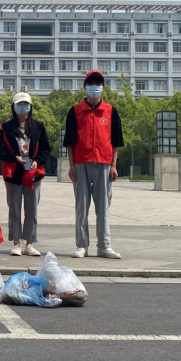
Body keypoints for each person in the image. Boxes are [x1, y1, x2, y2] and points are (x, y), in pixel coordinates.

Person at [64, 70, 124, 260]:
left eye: (98, 83)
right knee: (81, 206)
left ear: (103, 87)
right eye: (91, 83)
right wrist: (72, 165)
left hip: (104, 162)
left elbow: (116, 141)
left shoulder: (110, 110)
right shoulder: (75, 111)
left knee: (103, 207)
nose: (94, 87)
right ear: (85, 86)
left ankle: (104, 246)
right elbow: (69, 141)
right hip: (81, 163)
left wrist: (113, 165)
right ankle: (81, 245)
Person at [0, 92, 50, 257]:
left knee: (32, 210)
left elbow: (45, 149)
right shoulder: (6, 128)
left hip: (33, 173)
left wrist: (37, 161)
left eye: (26, 104)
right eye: (19, 104)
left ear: (30, 107)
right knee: (14, 209)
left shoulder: (38, 127)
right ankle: (16, 242)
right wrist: (14, 157)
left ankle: (30, 243)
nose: (22, 107)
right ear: (13, 106)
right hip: (14, 173)